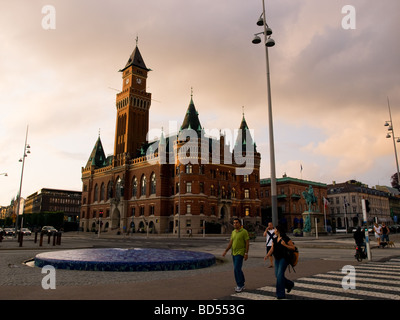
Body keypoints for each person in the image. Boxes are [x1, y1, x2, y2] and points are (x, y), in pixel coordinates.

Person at [264, 224, 295, 299]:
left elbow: (293, 247)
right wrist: (267, 255)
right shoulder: (274, 239)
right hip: (277, 259)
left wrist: (285, 245)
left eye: (275, 229)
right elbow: (272, 249)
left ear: (278, 230)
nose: (274, 230)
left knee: (280, 275)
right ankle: (289, 284)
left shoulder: (285, 238)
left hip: (284, 259)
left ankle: (280, 294)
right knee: (277, 275)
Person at [222, 218, 250, 293]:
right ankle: (242, 281)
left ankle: (239, 285)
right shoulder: (233, 232)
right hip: (233, 252)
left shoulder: (244, 232)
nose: (235, 224)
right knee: (238, 268)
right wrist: (226, 251)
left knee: (236, 269)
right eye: (234, 223)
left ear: (240, 224)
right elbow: (231, 242)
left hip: (240, 253)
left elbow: (247, 243)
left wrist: (246, 253)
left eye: (236, 223)